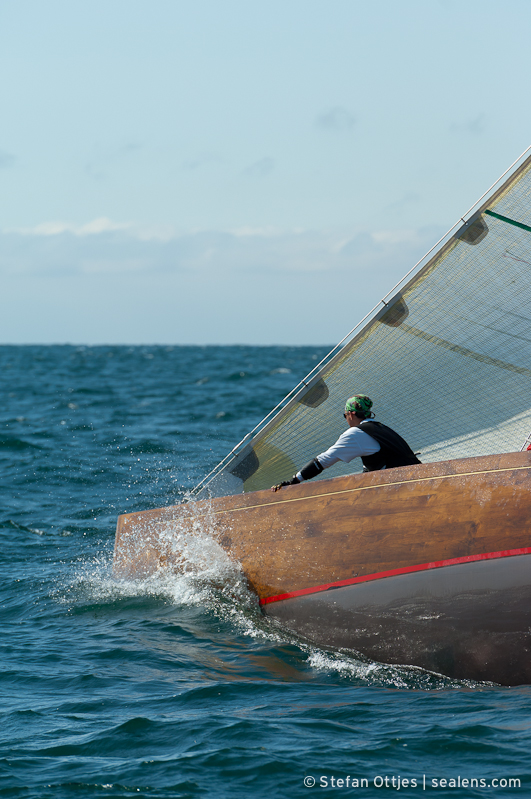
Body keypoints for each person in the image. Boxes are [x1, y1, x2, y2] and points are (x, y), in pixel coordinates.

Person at [271, 394, 421, 491]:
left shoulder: (356, 433)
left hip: (403, 488)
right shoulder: (382, 428)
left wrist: (294, 481)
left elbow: (322, 461)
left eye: (345, 415)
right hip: (420, 479)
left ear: (351, 414)